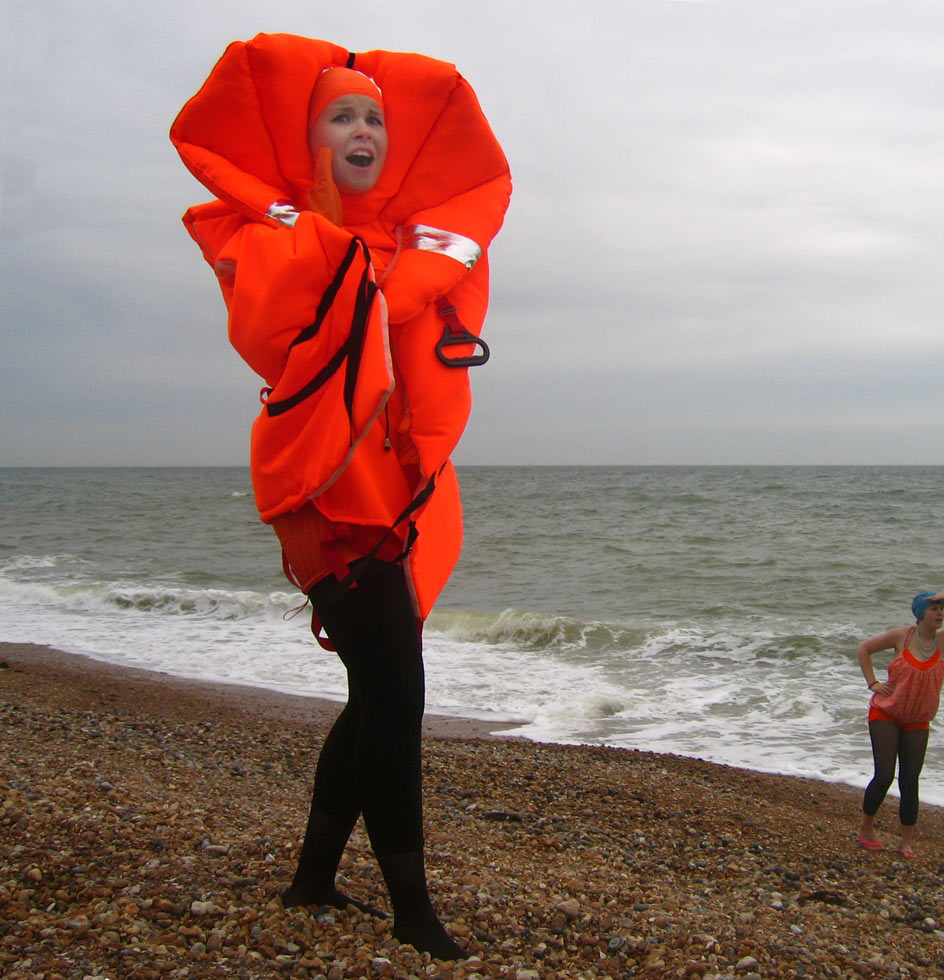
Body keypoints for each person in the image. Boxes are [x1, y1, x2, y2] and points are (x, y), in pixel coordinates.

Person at [171, 33, 511, 960]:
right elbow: (272, 329)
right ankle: (412, 912)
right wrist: (328, 232)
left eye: (375, 119)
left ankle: (313, 881)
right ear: (307, 138)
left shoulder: (405, 249)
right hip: (324, 497)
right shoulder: (267, 237)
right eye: (341, 116)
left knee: (375, 695)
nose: (364, 130)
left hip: (393, 501)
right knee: (396, 697)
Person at [855, 587, 944, 857]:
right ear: (920, 613)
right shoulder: (901, 636)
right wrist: (873, 683)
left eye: (942, 609)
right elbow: (864, 649)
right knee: (884, 775)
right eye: (934, 609)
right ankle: (866, 829)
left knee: (910, 780)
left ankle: (906, 843)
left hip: (917, 720)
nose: (940, 614)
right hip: (886, 713)